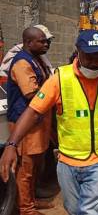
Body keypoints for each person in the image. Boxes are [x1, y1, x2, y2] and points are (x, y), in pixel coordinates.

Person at [0, 30, 98, 215]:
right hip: (68, 160)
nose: (95, 64)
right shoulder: (60, 79)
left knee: (89, 209)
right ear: (78, 51)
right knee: (72, 208)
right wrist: (11, 144)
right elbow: (33, 110)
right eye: (89, 57)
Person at [5, 27, 52, 215]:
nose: (46, 44)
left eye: (46, 41)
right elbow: (32, 93)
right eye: (41, 41)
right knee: (26, 168)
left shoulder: (36, 59)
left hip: (37, 123)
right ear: (28, 42)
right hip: (25, 123)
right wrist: (55, 91)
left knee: (34, 166)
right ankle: (25, 208)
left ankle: (31, 201)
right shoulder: (22, 62)